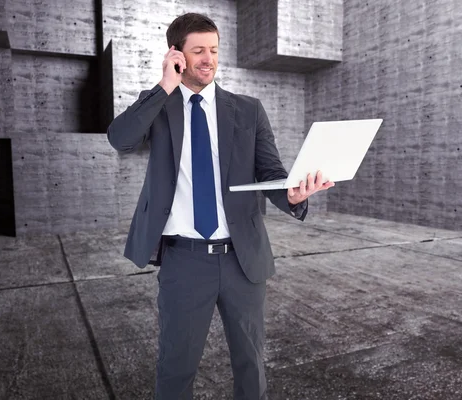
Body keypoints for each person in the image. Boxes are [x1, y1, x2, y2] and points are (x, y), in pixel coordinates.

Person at [107, 12, 334, 400]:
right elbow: (120, 139)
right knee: (176, 368)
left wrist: (292, 197)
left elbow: (270, 172)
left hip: (242, 261)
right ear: (176, 54)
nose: (208, 59)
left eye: (213, 50)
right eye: (198, 51)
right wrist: (164, 85)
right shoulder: (159, 106)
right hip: (184, 261)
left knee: (251, 366)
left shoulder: (248, 109)